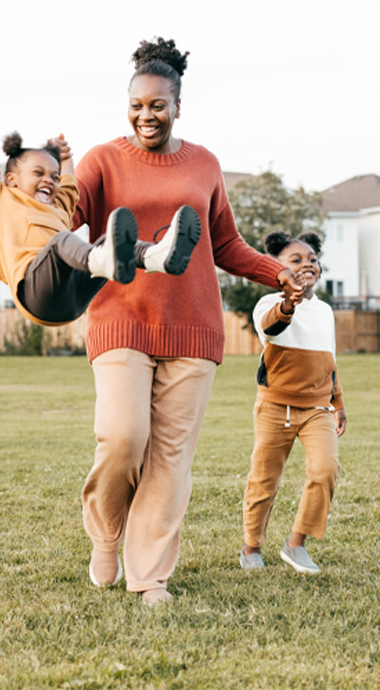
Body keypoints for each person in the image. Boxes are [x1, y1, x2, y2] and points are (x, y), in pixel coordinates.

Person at [72, 36, 302, 605]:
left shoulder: (204, 163)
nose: (146, 115)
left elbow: (226, 243)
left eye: (157, 105)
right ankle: (105, 532)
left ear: (178, 105)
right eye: (137, 105)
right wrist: (41, 181)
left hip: (193, 327)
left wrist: (279, 274)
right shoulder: (101, 160)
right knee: (124, 438)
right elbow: (64, 220)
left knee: (170, 458)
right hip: (121, 317)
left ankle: (150, 575)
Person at [0, 121, 201, 326]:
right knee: (64, 241)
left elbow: (69, 186)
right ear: (12, 180)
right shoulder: (1, 199)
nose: (49, 180)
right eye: (38, 173)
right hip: (35, 297)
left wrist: (65, 157)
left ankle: (157, 256)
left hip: (73, 301)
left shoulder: (59, 209)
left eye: (53, 177)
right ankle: (102, 260)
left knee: (109, 241)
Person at [240, 231, 346, 574]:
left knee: (325, 469)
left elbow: (329, 358)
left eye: (312, 259)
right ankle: (251, 547)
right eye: (296, 260)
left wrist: (338, 402)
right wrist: (289, 302)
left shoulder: (326, 311)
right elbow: (272, 328)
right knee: (264, 480)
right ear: (278, 268)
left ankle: (296, 544)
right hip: (274, 408)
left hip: (318, 408)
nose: (307, 265)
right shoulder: (267, 304)